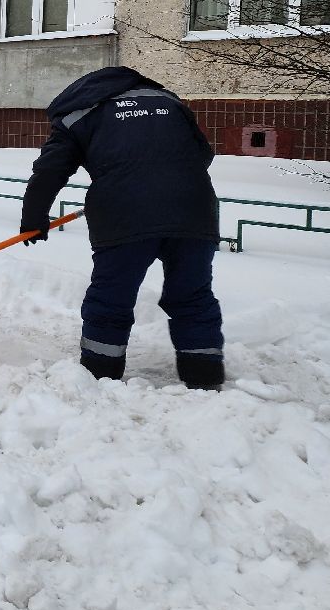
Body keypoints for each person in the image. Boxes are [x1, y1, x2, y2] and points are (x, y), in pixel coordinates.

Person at [19, 66, 224, 389]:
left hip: (123, 213)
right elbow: (202, 154)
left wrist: (33, 218)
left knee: (111, 298)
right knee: (193, 296)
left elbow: (50, 171)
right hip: (194, 209)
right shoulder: (168, 102)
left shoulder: (77, 113)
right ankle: (205, 377)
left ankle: (101, 375)